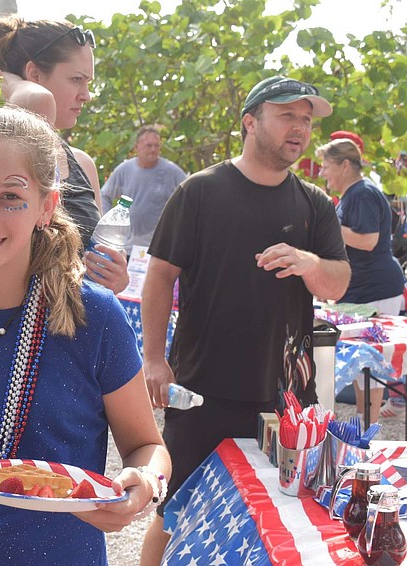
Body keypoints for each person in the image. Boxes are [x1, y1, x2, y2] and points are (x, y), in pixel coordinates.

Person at [0, 106, 171, 565]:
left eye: (11, 197)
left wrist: (144, 484)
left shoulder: (96, 317)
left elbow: (147, 446)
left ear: (47, 206)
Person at [139, 75, 351, 565]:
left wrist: (309, 263)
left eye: (306, 120)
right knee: (175, 512)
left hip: (284, 397)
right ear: (250, 122)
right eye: (287, 116)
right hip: (201, 386)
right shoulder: (199, 192)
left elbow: (338, 282)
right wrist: (153, 359)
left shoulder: (314, 204)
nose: (300, 128)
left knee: (276, 514)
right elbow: (158, 279)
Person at [0, 17, 129, 294]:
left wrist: (114, 278)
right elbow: (38, 102)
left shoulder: (83, 164)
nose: (86, 95)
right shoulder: (0, 151)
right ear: (34, 75)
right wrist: (12, 82)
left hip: (82, 326)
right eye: (76, 80)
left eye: (88, 82)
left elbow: (94, 257)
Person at [317, 138, 405, 424]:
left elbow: (368, 241)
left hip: (376, 290)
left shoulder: (363, 193)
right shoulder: (354, 194)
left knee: (372, 363)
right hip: (361, 291)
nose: (322, 173)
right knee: (361, 362)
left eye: (326, 166)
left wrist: (328, 222)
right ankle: (362, 424)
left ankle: (366, 430)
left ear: (345, 165)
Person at [99, 125, 187, 254]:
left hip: (159, 248)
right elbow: (104, 196)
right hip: (128, 247)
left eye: (156, 146)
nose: (153, 150)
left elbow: (189, 197)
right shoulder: (125, 169)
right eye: (149, 145)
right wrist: (110, 224)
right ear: (136, 147)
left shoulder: (172, 171)